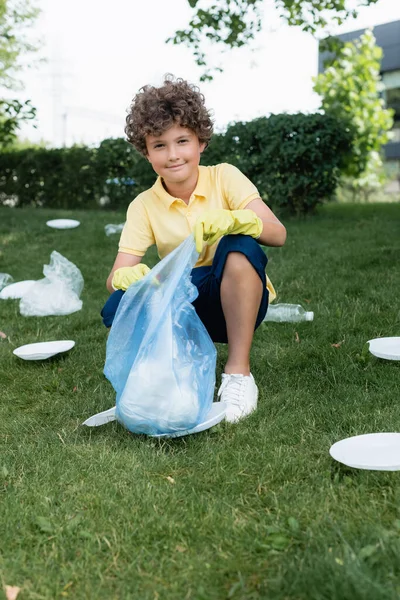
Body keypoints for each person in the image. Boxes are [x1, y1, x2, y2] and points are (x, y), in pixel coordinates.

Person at [102, 74, 287, 423]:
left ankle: (238, 374)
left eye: (182, 141)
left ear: (200, 142)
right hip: (179, 301)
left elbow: (278, 234)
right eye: (159, 145)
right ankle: (166, 373)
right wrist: (130, 276)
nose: (173, 155)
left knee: (238, 246)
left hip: (236, 297)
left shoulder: (225, 176)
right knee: (117, 307)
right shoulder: (142, 205)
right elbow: (114, 278)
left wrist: (238, 220)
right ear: (146, 152)